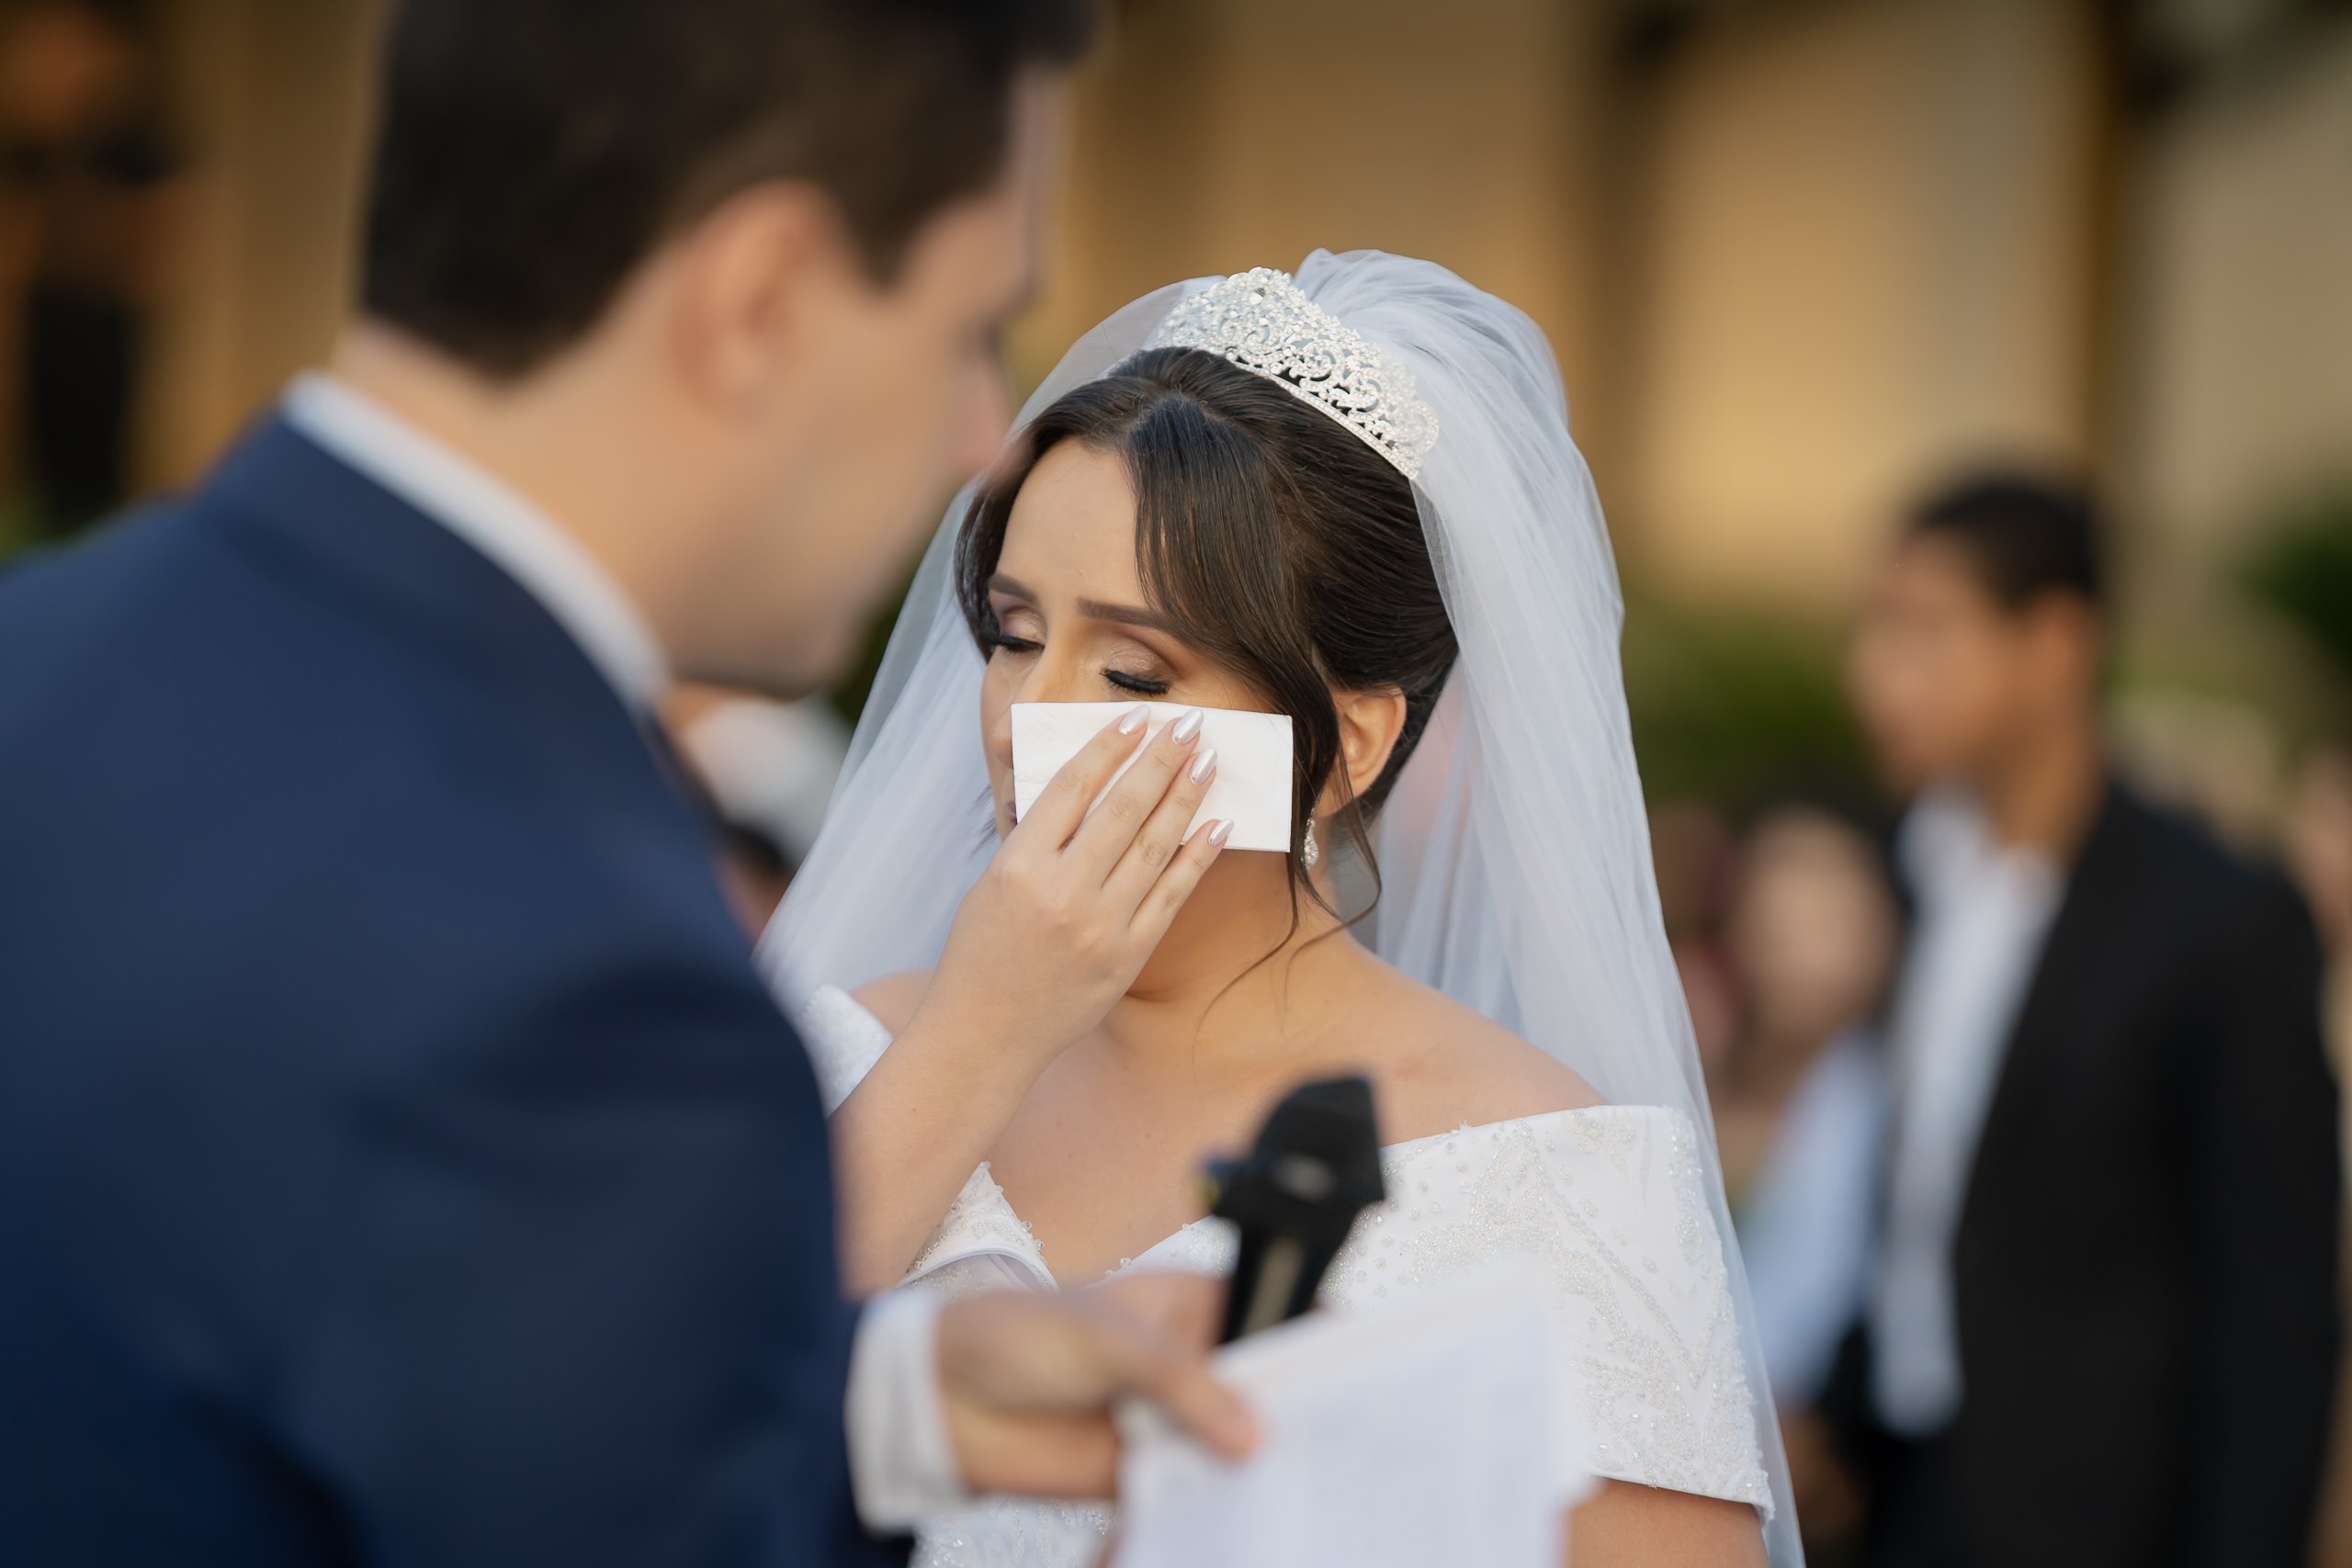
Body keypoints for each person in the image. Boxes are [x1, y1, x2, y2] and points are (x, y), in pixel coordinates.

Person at [0, 3, 1265, 1564]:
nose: (976, 451)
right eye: (967, 334)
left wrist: (874, 1405)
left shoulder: (34, 657)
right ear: (762, 300)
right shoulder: (589, 987)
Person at [763, 254, 1799, 1567]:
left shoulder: (1552, 1172)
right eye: (1017, 635)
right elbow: (640, 1437)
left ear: (1349, 742)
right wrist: (977, 1032)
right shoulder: (829, 1046)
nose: (1032, 721)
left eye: (1134, 669)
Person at [1830, 473, 2343, 1567]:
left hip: (2106, 1519)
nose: (1875, 673)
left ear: (2055, 643)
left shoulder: (2221, 919)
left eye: (1923, 628)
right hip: (1901, 1488)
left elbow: (2274, 1314)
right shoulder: (1907, 867)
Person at [0, 0, 184, 536]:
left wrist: (77, 233)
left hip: (104, 353)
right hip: (43, 350)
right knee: (40, 487)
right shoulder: (37, 143)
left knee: (97, 494)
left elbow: (166, 240)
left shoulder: (136, 137)